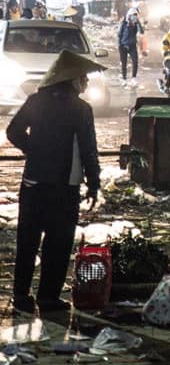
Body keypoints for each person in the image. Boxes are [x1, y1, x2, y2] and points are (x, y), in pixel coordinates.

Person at [7, 50, 105, 313]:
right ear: (72, 80)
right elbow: (88, 150)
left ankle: (20, 296)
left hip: (33, 182)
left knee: (27, 240)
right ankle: (48, 298)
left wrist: (32, 150)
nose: (85, 83)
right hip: (65, 185)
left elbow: (13, 131)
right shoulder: (81, 109)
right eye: (83, 78)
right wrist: (94, 184)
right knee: (58, 242)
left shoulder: (35, 101)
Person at [118, 8, 145, 87]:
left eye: (136, 15)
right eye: (133, 15)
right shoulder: (123, 23)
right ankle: (124, 79)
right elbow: (119, 34)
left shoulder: (135, 24)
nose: (134, 17)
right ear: (129, 15)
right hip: (123, 46)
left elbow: (141, 32)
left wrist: (138, 22)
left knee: (135, 61)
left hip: (132, 45)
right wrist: (119, 45)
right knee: (124, 63)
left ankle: (133, 78)